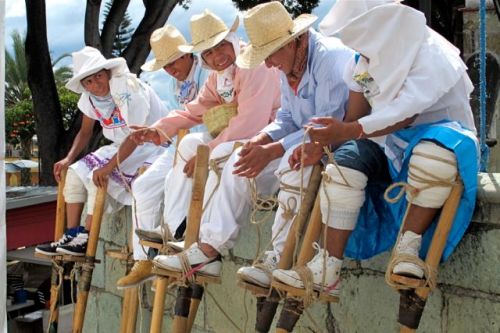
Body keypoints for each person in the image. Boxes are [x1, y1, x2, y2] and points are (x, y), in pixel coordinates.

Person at [272, 0, 479, 297]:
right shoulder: (363, 62)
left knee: (432, 153)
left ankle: (409, 249)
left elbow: (404, 113)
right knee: (344, 163)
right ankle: (327, 268)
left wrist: (347, 130)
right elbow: (356, 118)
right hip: (389, 145)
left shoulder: (432, 53)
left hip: (446, 138)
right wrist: (324, 146)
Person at [152, 1, 354, 282]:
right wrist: (260, 141)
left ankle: (278, 259)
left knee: (293, 163)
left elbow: (324, 126)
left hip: (335, 145)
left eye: (269, 55)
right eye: (208, 52)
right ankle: (207, 249)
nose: (268, 63)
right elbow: (286, 117)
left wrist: (271, 147)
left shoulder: (329, 59)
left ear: (293, 41)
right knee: (237, 158)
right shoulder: (287, 63)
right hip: (300, 140)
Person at [130, 10, 281, 275]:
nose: (216, 56)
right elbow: (194, 110)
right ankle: (175, 229)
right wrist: (158, 130)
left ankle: (209, 246)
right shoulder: (218, 75)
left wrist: (207, 154)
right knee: (189, 145)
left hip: (271, 141)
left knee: (219, 150)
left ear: (232, 39)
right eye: (208, 52)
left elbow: (251, 123)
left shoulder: (252, 65)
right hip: (244, 140)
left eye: (221, 45)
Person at [35, 47, 168, 256]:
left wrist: (108, 167)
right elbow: (85, 131)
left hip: (151, 144)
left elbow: (137, 134)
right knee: (74, 174)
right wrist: (68, 159)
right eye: (88, 81)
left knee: (96, 178)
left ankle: (86, 237)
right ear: (84, 85)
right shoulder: (90, 99)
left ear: (107, 72)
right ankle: (72, 234)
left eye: (98, 76)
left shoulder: (127, 88)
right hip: (123, 145)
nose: (95, 84)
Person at [115, 25, 210, 289]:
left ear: (186, 54)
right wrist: (156, 133)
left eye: (171, 63)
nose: (169, 70)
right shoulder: (173, 83)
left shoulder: (209, 71)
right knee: (142, 186)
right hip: (180, 144)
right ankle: (144, 258)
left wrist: (205, 153)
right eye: (164, 65)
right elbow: (178, 121)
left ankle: (170, 249)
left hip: (211, 141)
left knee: (172, 182)